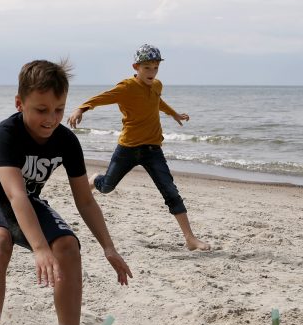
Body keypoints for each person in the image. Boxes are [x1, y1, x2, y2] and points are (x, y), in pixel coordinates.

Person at [0, 59, 132, 325]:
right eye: (41, 110)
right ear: (19, 103)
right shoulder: (6, 134)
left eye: (59, 109)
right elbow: (15, 194)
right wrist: (38, 248)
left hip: (26, 200)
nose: (51, 119)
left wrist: (108, 247)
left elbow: (85, 200)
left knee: (67, 245)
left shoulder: (66, 141)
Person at [67, 44, 210, 251]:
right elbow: (103, 97)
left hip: (153, 150)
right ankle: (94, 180)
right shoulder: (126, 88)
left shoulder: (157, 85)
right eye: (147, 68)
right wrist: (81, 108)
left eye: (155, 67)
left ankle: (190, 239)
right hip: (128, 149)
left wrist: (174, 114)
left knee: (171, 192)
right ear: (136, 66)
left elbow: (156, 102)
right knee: (107, 187)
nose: (152, 72)